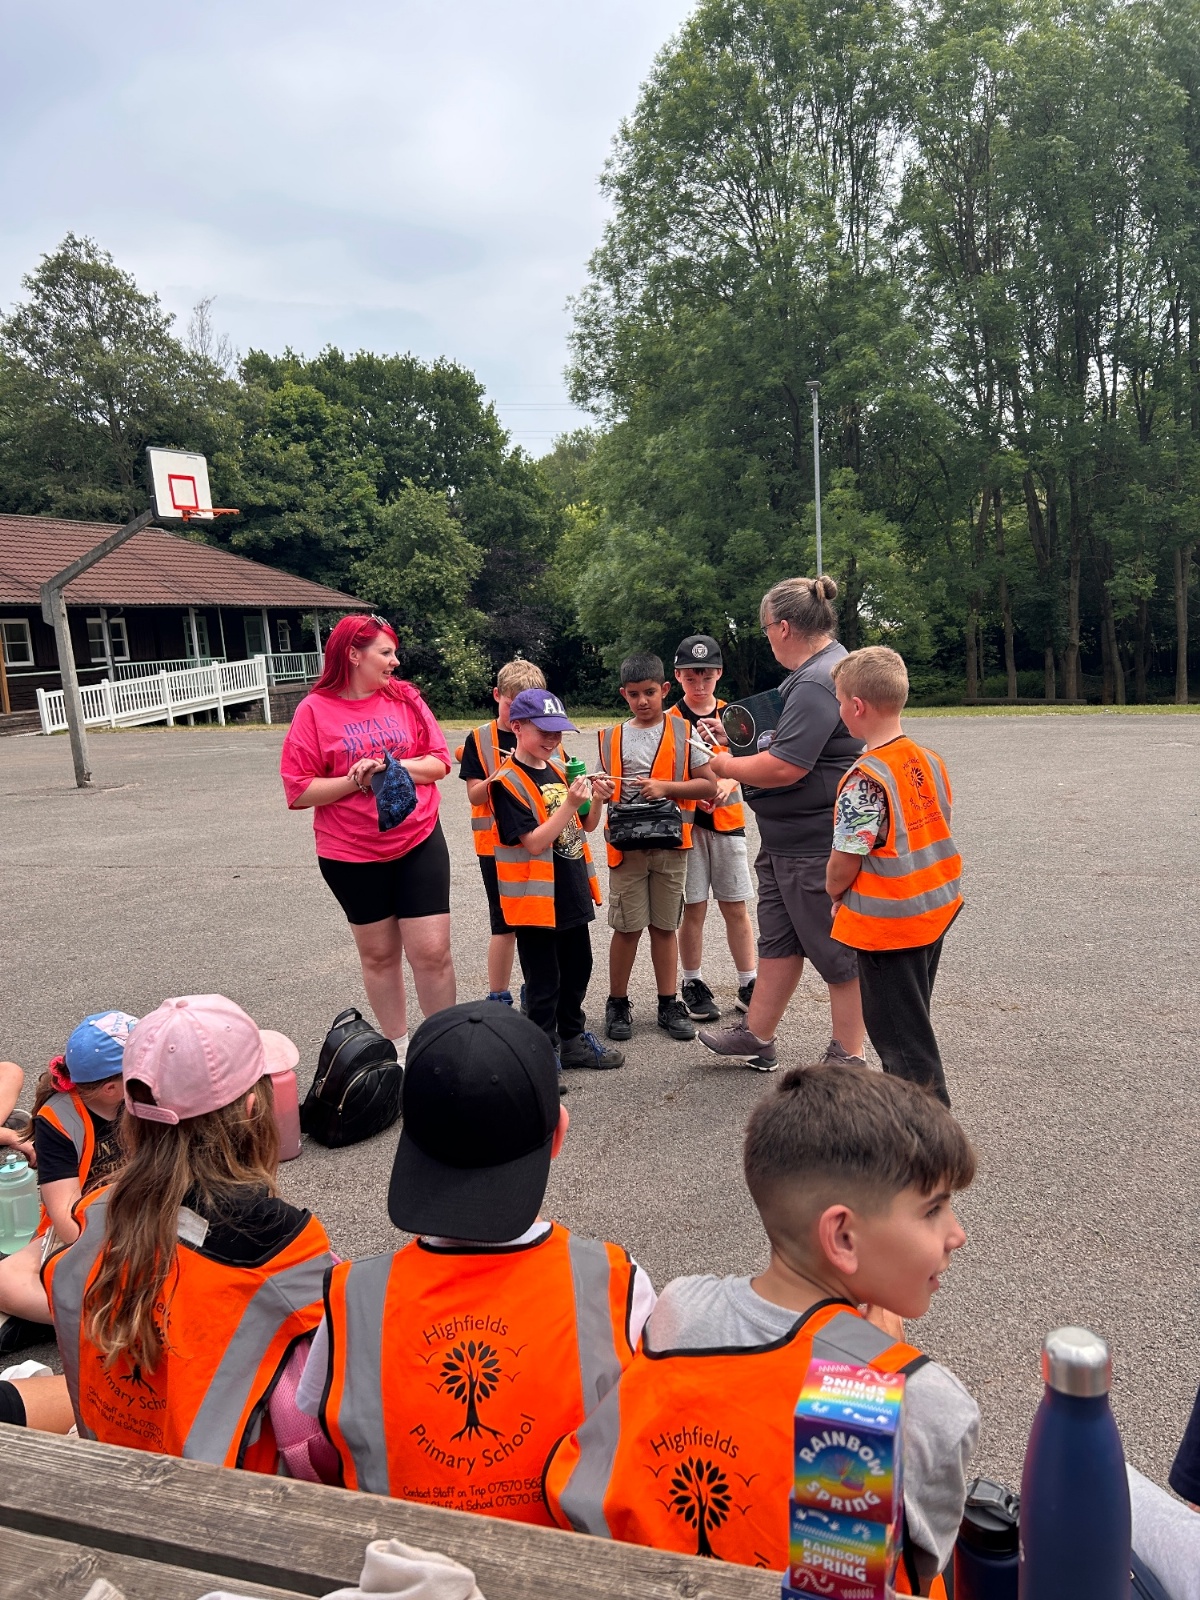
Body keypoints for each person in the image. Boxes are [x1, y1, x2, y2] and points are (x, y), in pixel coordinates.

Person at [543, 1060, 979, 1596]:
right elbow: (889, 1574)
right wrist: (871, 1371)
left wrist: (865, 1351)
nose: (957, 1234)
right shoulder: (929, 1402)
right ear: (842, 1237)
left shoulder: (681, 1309)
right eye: (933, 1210)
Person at [298, 1002, 655, 1524]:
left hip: (400, 1558)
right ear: (558, 1135)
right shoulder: (616, 1284)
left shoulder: (351, 1300)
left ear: (408, 1144)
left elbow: (325, 1446)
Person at [43, 994, 335, 1475]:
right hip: (226, 1499)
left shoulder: (96, 1214)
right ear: (252, 1110)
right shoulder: (284, 1248)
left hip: (114, 1466)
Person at [699, 577, 865, 1073]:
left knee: (837, 954)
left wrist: (724, 764)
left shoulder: (815, 680)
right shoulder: (822, 669)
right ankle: (757, 1034)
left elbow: (786, 765)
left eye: (767, 628)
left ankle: (849, 1055)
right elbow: (789, 741)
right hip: (788, 839)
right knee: (779, 942)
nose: (767, 637)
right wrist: (737, 737)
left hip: (811, 843)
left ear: (784, 627)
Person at [281, 614, 455, 1063]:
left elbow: (439, 762)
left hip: (417, 838)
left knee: (432, 952)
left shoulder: (406, 698)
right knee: (379, 956)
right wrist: (354, 779)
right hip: (350, 853)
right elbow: (298, 790)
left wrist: (389, 765)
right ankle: (399, 1052)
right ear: (353, 655)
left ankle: (443, 1051)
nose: (395, 661)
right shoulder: (314, 710)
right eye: (386, 652)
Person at [826, 647, 962, 1107]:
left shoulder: (866, 778)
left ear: (857, 706)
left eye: (839, 700)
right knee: (913, 1020)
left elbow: (846, 858)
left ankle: (926, 1133)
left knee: (904, 1045)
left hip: (889, 928)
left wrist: (834, 891)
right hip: (933, 911)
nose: (839, 709)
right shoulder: (927, 759)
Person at [490, 690, 622, 1076]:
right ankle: (542, 1050)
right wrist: (569, 803)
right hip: (535, 902)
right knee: (543, 981)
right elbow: (533, 842)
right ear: (517, 727)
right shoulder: (506, 782)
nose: (552, 740)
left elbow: (587, 825)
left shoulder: (559, 768)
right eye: (544, 731)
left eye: (558, 733)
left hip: (570, 889)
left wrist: (598, 799)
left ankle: (572, 1039)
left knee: (579, 967)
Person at [597, 653, 717, 1045]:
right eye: (634, 695)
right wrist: (599, 792)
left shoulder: (684, 731)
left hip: (670, 847)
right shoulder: (610, 738)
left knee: (665, 927)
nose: (642, 701)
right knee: (627, 928)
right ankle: (617, 1003)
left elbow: (708, 785)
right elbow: (600, 792)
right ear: (624, 695)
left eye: (649, 692)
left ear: (665, 689)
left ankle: (669, 1004)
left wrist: (666, 787)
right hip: (626, 851)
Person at [0, 1011, 136, 1357]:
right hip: (89, 1227)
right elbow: (65, 1219)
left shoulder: (146, 1096)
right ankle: (109, 1321)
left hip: (149, 1215)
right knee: (5, 1280)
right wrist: (107, 1249)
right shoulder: (59, 1117)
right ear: (110, 1088)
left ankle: (95, 1314)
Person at [666, 634, 758, 1021]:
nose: (699, 685)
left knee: (735, 907)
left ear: (719, 673)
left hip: (727, 822)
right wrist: (695, 790)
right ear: (678, 676)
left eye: (706, 676)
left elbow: (751, 762)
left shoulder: (734, 716)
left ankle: (749, 982)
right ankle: (692, 982)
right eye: (691, 677)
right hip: (687, 827)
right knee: (694, 909)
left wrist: (728, 783)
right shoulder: (669, 720)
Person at [457, 658, 548, 1005]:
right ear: (497, 695)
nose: (518, 715)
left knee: (535, 923)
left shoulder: (543, 734)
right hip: (495, 848)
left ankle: (535, 991)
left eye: (528, 707)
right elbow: (475, 795)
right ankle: (499, 996)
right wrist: (505, 770)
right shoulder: (480, 739)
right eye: (511, 704)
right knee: (504, 924)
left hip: (536, 843)